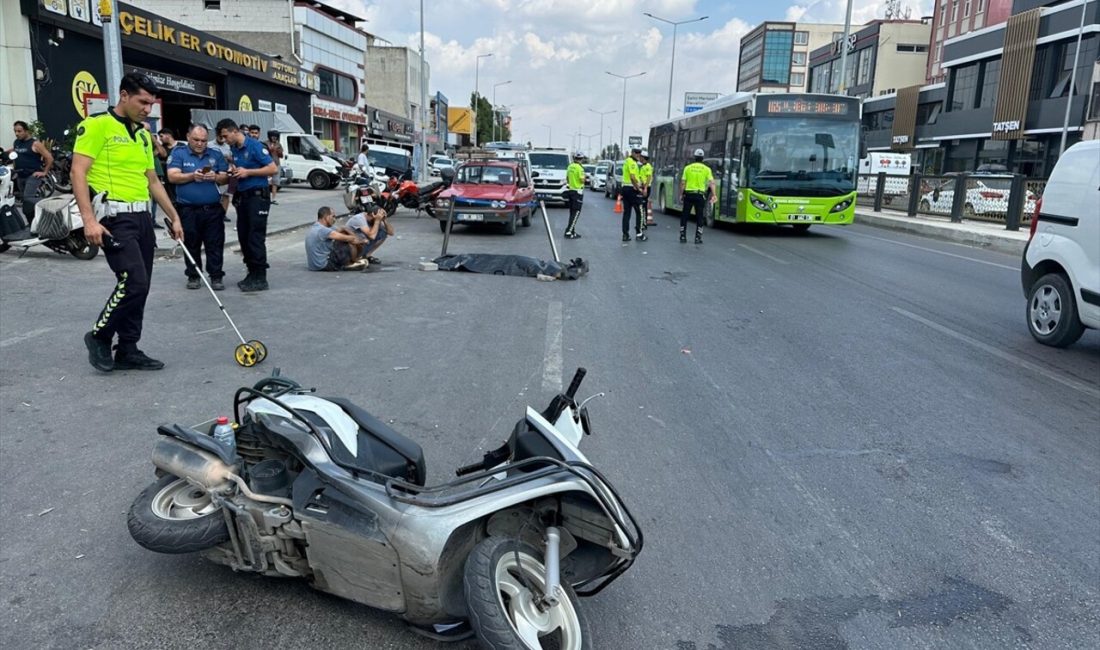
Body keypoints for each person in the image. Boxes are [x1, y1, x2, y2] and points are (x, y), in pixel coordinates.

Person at [73, 72, 184, 373]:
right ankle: (99, 336)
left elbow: (153, 181)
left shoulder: (143, 135)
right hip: (113, 217)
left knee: (142, 286)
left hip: (142, 218)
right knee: (132, 281)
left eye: (151, 103)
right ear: (124, 95)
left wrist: (174, 217)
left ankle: (128, 348)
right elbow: (78, 173)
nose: (148, 109)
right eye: (143, 102)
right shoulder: (97, 126)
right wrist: (89, 220)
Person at [216, 118, 276, 292]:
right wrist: (234, 171)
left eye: (226, 136)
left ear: (234, 131)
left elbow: (272, 169)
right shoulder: (234, 149)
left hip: (258, 196)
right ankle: (251, 272)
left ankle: (260, 277)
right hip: (243, 197)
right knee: (244, 237)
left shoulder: (255, 146)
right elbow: (240, 168)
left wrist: (248, 172)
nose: (225, 140)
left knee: (255, 237)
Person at [167, 124, 229, 291]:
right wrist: (192, 176)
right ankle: (193, 275)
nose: (200, 143)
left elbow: (225, 177)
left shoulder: (215, 155)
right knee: (191, 243)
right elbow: (172, 176)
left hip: (212, 209)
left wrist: (215, 176)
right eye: (196, 140)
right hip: (188, 210)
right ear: (188, 137)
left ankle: (216, 276)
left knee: (215, 243)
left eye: (203, 140)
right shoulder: (179, 153)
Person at [9, 121, 53, 217]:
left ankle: (49, 210)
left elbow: (49, 157)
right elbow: (14, 151)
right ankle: (34, 221)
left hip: (32, 175)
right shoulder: (17, 142)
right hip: (20, 176)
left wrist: (45, 172)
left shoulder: (35, 144)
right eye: (15, 131)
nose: (17, 133)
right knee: (26, 201)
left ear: (26, 131)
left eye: (19, 131)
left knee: (27, 198)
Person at [305, 206, 367, 271]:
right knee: (346, 242)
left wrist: (344, 228)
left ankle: (353, 260)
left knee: (346, 237)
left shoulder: (317, 226)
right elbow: (349, 238)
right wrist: (361, 240)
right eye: (333, 216)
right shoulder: (323, 230)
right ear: (327, 217)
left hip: (313, 266)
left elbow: (340, 230)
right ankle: (349, 264)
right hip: (324, 265)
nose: (335, 219)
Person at [679, 148, 716, 245]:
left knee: (685, 216)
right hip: (700, 195)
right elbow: (712, 182)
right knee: (699, 217)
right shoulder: (707, 169)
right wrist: (714, 194)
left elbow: (683, 183)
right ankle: (698, 237)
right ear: (702, 158)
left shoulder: (688, 168)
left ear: (694, 157)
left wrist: (681, 194)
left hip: (689, 194)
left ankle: (683, 236)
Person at [620, 146, 645, 242]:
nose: (638, 154)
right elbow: (632, 177)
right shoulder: (632, 162)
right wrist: (638, 188)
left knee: (627, 213)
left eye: (639, 152)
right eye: (637, 152)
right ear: (632, 152)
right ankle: (639, 234)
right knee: (640, 211)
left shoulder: (627, 161)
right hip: (632, 189)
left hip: (625, 188)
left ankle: (625, 235)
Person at [564, 151, 586, 239]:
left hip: (571, 190)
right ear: (581, 159)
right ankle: (569, 231)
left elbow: (567, 178)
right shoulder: (580, 168)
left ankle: (572, 230)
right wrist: (585, 178)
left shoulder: (570, 166)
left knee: (572, 212)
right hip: (578, 192)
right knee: (576, 212)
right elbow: (582, 180)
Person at [266, 130, 284, 204]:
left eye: (276, 137)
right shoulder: (265, 143)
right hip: (267, 164)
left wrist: (278, 151)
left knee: (275, 182)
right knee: (267, 182)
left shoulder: (278, 144)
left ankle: (273, 199)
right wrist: (269, 150)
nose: (274, 138)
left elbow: (281, 156)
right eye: (273, 136)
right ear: (270, 136)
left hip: (276, 164)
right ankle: (267, 198)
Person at [639, 150, 654, 226]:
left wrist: (645, 188)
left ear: (643, 157)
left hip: (646, 187)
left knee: (643, 205)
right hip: (643, 186)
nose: (639, 158)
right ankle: (642, 222)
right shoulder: (643, 166)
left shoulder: (648, 166)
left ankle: (643, 223)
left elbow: (649, 177)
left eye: (640, 157)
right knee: (642, 205)